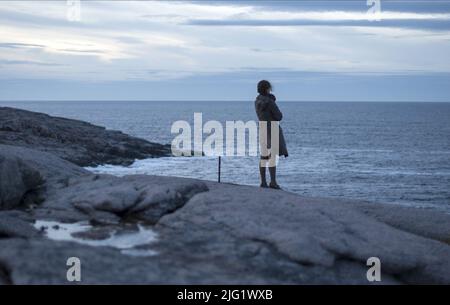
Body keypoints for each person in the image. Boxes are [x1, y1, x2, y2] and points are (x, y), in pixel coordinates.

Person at [254, 80, 288, 189]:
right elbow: (279, 116)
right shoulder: (270, 102)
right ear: (267, 89)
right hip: (272, 128)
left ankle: (263, 182)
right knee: (272, 156)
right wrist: (272, 101)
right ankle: (273, 182)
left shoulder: (257, 101)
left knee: (264, 156)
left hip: (262, 128)